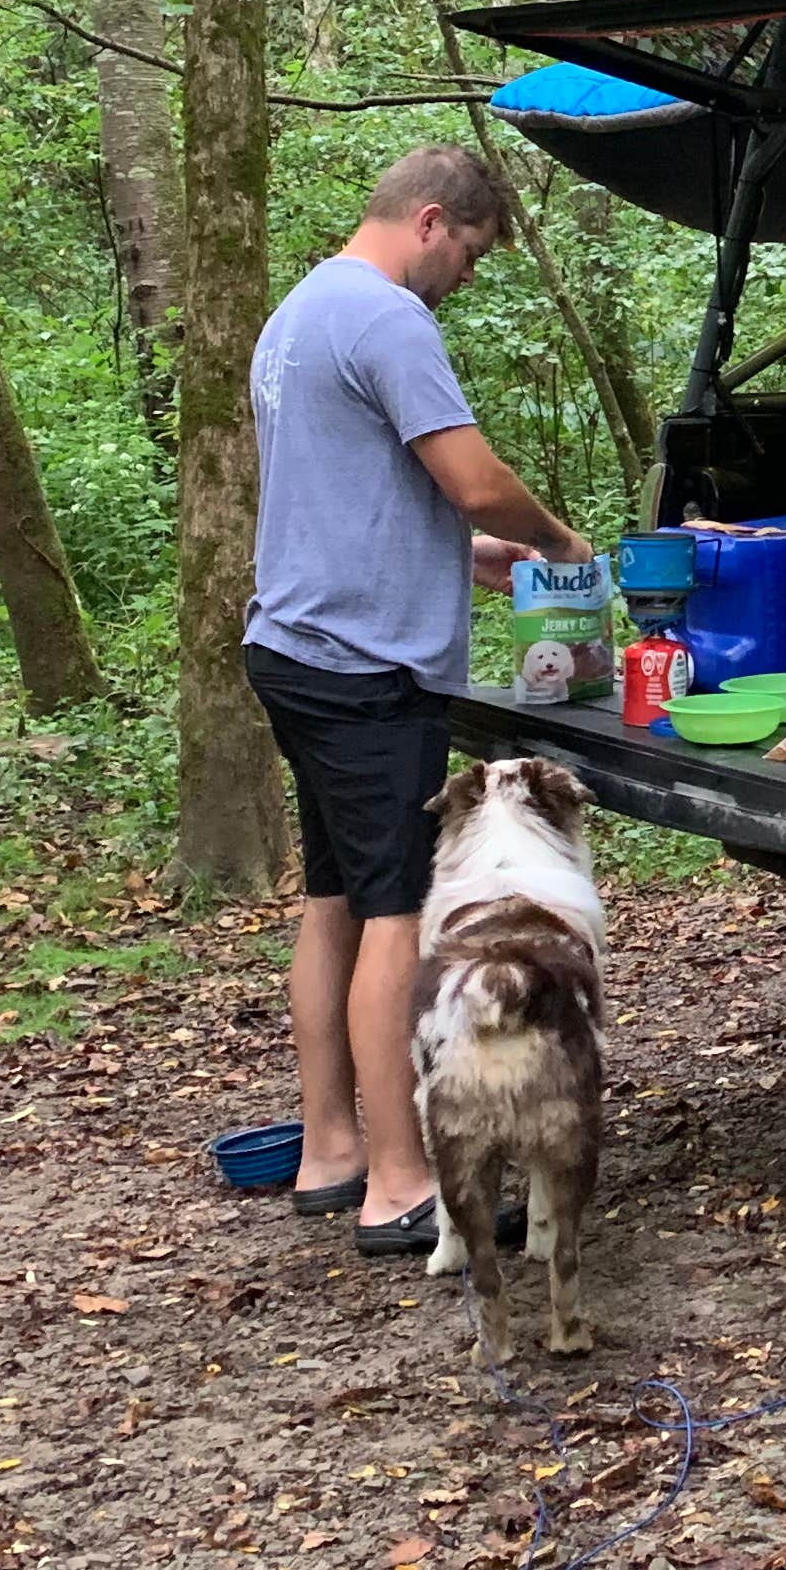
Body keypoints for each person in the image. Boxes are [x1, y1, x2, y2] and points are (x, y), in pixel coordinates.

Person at [245, 145, 589, 1257]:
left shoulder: (302, 310)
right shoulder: (389, 319)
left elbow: (352, 488)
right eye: (473, 256)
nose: (468, 280)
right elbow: (473, 474)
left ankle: (332, 1147)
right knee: (396, 917)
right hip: (364, 669)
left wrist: (464, 554)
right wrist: (550, 539)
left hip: (296, 647)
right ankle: (400, 1181)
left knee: (336, 901)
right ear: (432, 222)